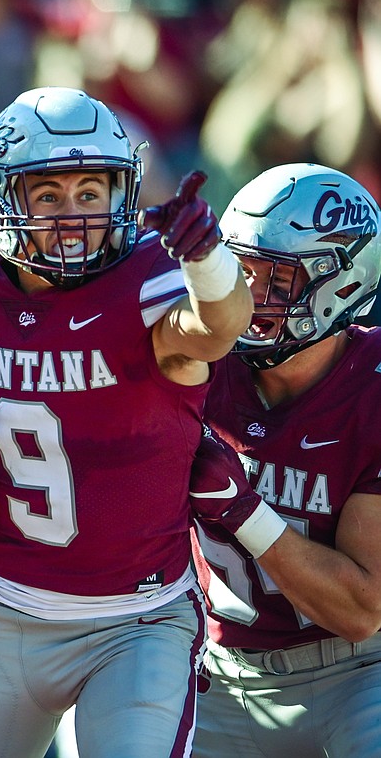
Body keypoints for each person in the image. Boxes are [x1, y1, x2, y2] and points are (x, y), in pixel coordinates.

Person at [0, 86, 253, 758]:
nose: (73, 217)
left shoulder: (150, 275)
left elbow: (215, 330)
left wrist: (208, 260)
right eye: (50, 195)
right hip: (5, 607)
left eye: (91, 194)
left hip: (140, 620)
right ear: (2, 199)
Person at [188, 163, 381, 757]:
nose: (247, 296)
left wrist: (241, 508)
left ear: (342, 283)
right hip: (212, 674)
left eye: (274, 278)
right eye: (238, 269)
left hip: (356, 675)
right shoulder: (198, 357)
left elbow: (361, 609)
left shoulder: (372, 389)